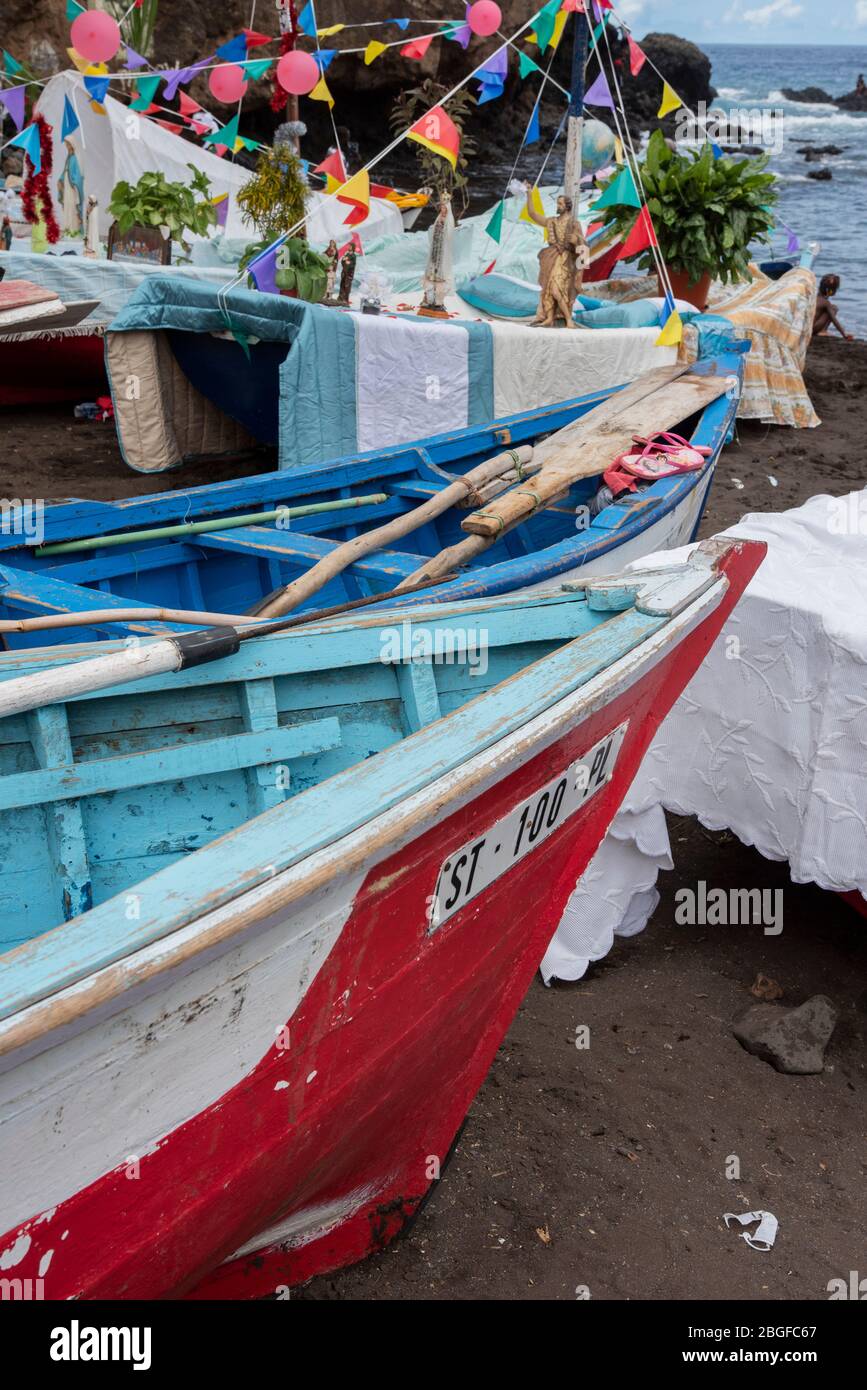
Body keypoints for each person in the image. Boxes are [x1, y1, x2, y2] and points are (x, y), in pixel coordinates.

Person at [524, 184, 589, 327]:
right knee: (548, 288)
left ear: (567, 206)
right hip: (552, 258)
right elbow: (532, 214)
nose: (557, 206)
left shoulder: (574, 224)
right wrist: (529, 195)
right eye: (557, 203)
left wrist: (576, 241)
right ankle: (549, 318)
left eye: (560, 204)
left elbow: (584, 246)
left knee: (556, 289)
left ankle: (569, 319)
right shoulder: (551, 221)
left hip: (566, 260)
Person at [812, 274, 854, 339]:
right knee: (834, 308)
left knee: (831, 307)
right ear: (831, 291)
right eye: (835, 289)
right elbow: (834, 320)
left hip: (805, 328)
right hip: (812, 330)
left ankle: (822, 330)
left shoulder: (814, 297)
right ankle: (823, 331)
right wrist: (844, 334)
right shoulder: (826, 303)